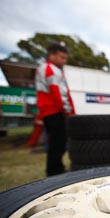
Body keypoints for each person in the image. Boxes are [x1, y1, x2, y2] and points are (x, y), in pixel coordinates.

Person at [35, 43, 75, 176]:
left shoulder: (46, 69)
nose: (64, 61)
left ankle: (57, 168)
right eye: (62, 57)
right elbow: (57, 93)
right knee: (57, 144)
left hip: (51, 111)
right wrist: (67, 111)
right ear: (51, 55)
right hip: (54, 111)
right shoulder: (50, 69)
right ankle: (55, 172)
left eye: (65, 58)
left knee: (56, 143)